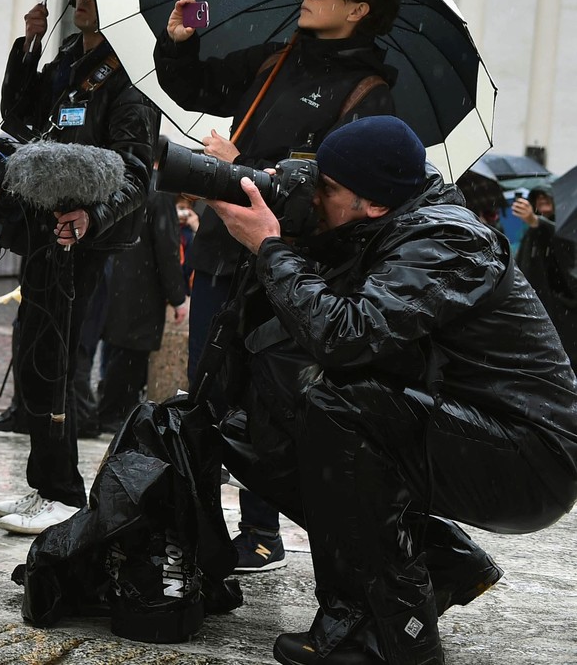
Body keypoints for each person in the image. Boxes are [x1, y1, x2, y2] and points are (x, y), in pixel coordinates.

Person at [209, 116, 577, 665]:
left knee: (339, 404)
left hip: (534, 457)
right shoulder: (389, 225)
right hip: (478, 427)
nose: (315, 196)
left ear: (375, 203)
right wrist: (284, 225)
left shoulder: (448, 239)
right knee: (257, 436)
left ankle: (390, 638)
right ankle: (439, 562)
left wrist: (271, 248)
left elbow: (344, 336)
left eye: (327, 188)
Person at [154, 0, 400, 572]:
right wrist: (180, 45)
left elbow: (336, 198)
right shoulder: (276, 58)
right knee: (207, 390)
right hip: (221, 250)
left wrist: (239, 166)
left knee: (265, 397)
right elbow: (197, 85)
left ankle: (261, 532)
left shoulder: (368, 93)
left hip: (288, 264)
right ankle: (198, 523)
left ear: (358, 8)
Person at [0, 0, 160, 535]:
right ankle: (44, 480)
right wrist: (28, 47)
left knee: (61, 360)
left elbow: (135, 171)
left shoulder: (127, 73)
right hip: (46, 227)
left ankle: (63, 491)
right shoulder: (67, 58)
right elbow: (20, 116)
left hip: (85, 238)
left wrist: (92, 216)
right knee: (37, 354)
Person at [94, 178, 189, 433]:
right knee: (129, 358)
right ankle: (114, 414)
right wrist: (178, 297)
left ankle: (109, 410)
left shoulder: (126, 182)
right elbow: (167, 249)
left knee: (117, 353)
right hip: (141, 289)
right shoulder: (159, 193)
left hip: (116, 281)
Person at [514, 189, 577, 363]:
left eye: (545, 196)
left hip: (566, 305)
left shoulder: (565, 225)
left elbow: (560, 239)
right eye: (537, 198)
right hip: (544, 305)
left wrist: (537, 222)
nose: (542, 200)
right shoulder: (531, 232)